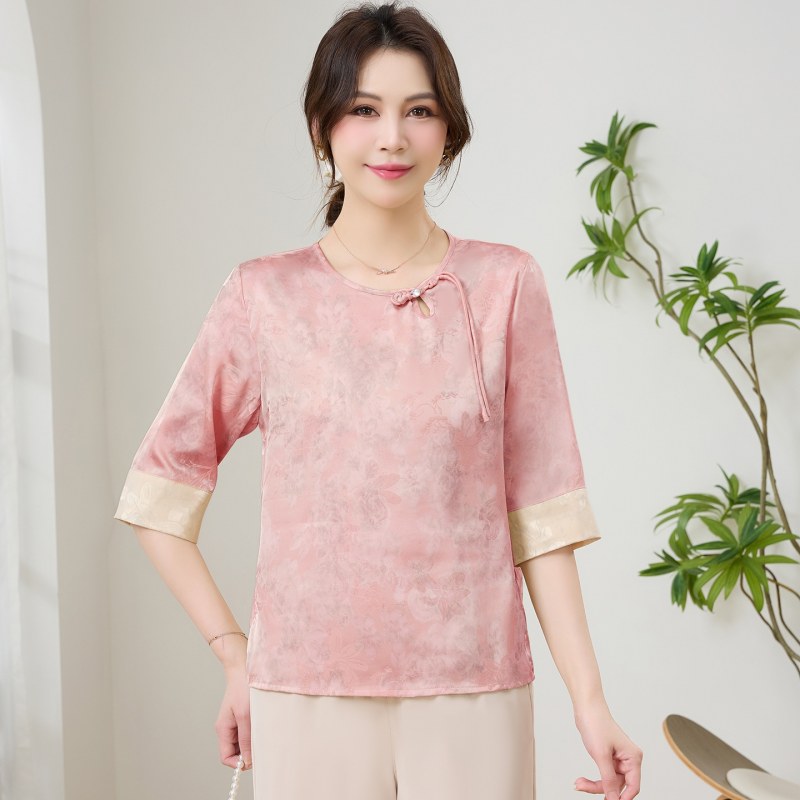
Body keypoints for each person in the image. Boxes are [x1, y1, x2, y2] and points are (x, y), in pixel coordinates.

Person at [112, 2, 643, 798]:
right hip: (305, 691)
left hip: (474, 686)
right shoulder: (265, 297)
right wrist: (233, 652)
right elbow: (159, 492)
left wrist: (591, 703)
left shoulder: (504, 286)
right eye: (363, 110)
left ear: (448, 131)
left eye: (418, 111)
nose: (392, 137)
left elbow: (542, 515)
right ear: (322, 126)